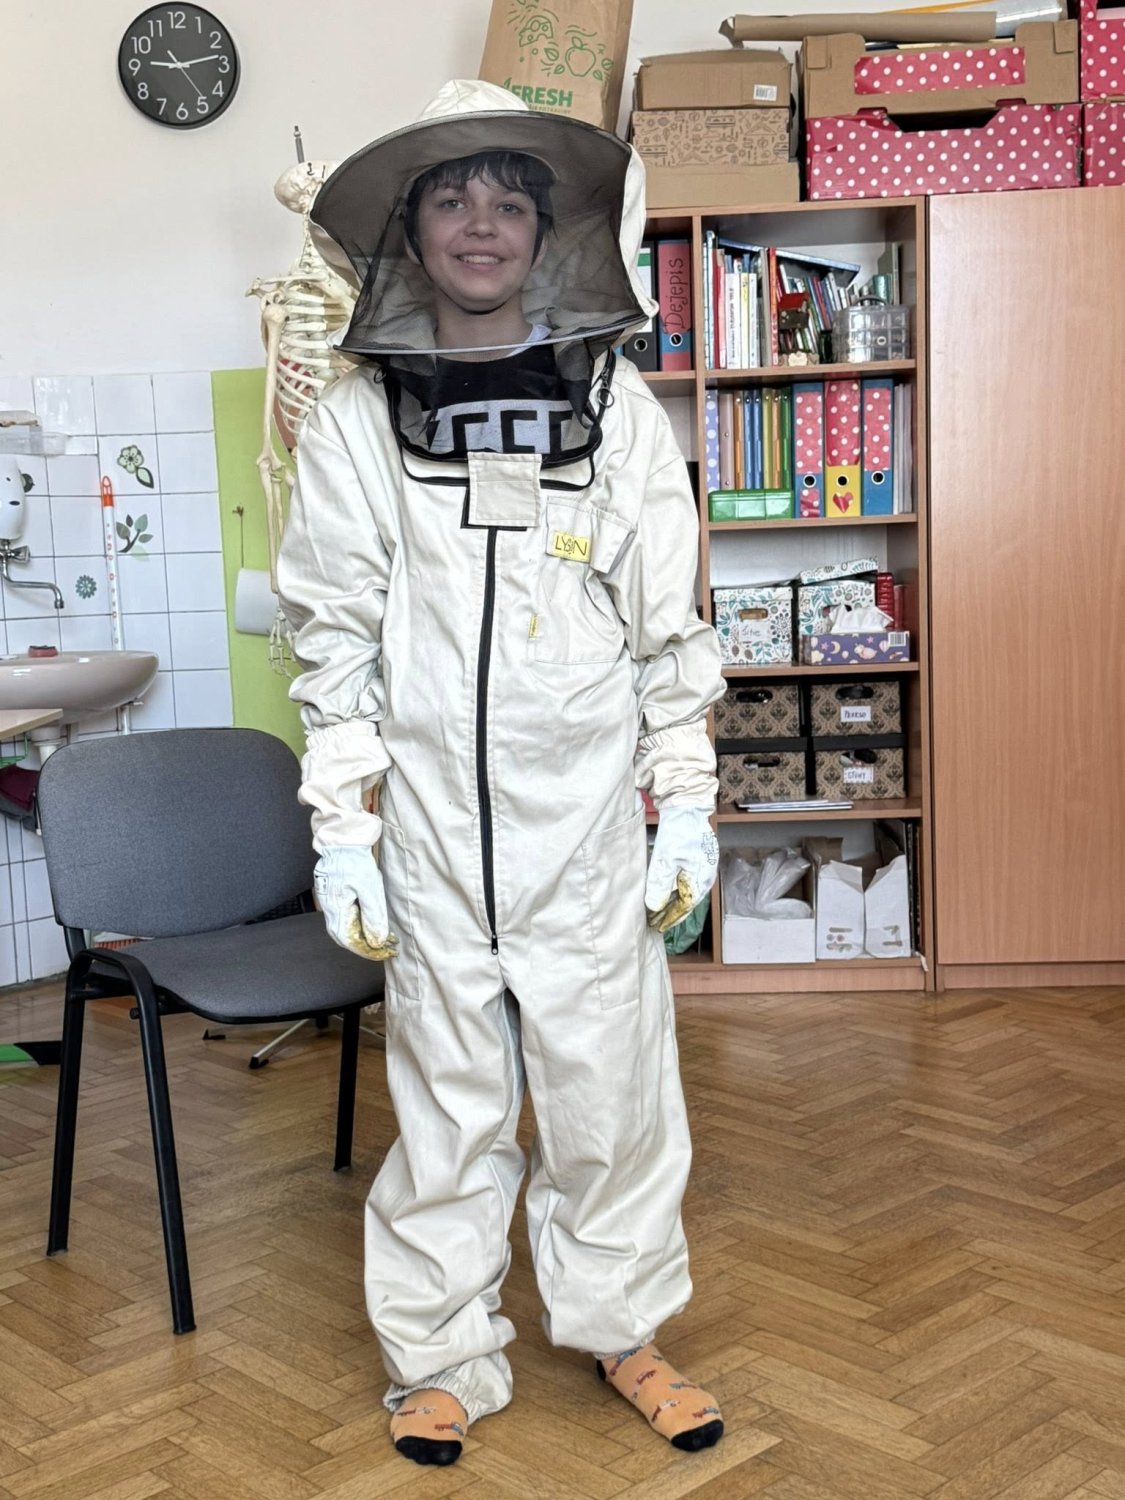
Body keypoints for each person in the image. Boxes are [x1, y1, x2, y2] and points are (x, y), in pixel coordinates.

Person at [277, 78, 726, 1469]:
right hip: (427, 833)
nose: (480, 224)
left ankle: (621, 1329)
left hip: (583, 827)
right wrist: (344, 827)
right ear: (409, 231)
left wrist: (686, 806)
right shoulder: (357, 419)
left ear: (548, 231)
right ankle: (440, 1356)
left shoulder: (619, 409)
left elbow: (667, 630)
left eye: (508, 201)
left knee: (610, 1099)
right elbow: (333, 633)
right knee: (447, 1111)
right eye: (451, 199)